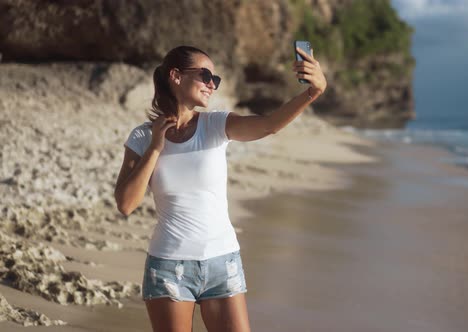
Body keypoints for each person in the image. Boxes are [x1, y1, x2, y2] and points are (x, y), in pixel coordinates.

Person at [114, 45, 326, 332]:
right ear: (176, 76)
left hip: (222, 263)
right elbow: (126, 204)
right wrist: (155, 147)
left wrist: (312, 92)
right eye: (205, 75)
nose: (211, 84)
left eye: (215, 79)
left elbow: (268, 126)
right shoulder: (142, 136)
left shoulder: (216, 125)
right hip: (169, 267)